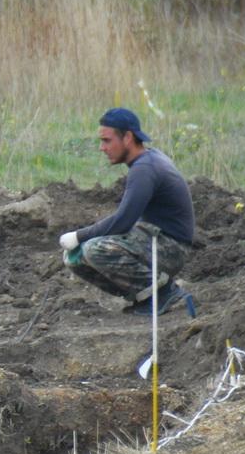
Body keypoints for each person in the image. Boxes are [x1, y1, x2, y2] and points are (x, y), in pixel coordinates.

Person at [58, 107, 197, 316]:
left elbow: (123, 221)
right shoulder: (147, 160)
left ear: (128, 138)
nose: (102, 148)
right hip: (155, 237)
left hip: (172, 248)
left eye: (107, 140)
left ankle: (164, 293)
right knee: (74, 257)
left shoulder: (145, 168)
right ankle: (144, 296)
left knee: (94, 249)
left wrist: (79, 236)